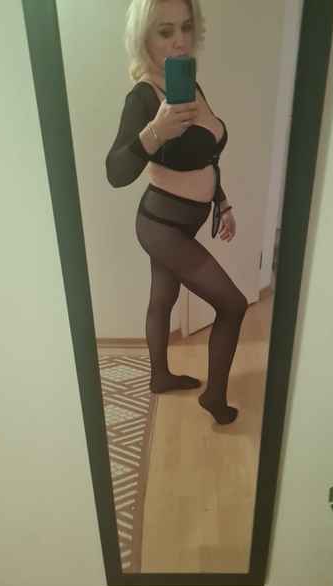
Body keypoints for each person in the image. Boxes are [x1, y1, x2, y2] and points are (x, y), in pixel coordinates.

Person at [106, 0, 248, 425]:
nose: (180, 40)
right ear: (144, 38)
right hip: (161, 226)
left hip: (184, 224)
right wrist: (155, 132)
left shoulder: (189, 85)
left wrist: (221, 202)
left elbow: (206, 156)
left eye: (186, 27)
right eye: (165, 31)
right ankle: (214, 398)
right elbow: (115, 171)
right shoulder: (144, 96)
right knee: (234, 305)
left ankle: (160, 377)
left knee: (162, 298)